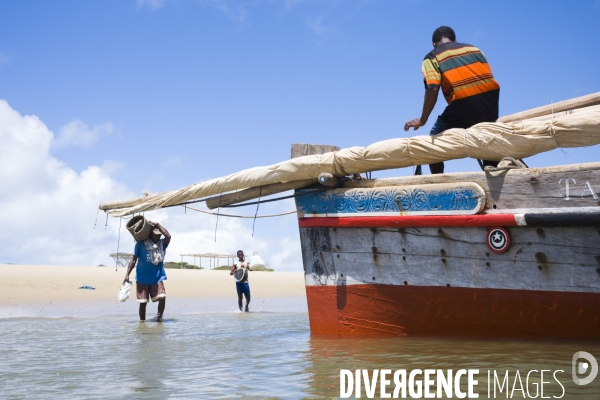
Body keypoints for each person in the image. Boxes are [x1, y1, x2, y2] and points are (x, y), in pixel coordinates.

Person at [404, 26, 500, 174]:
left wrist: (423, 119)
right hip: (491, 103)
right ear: (455, 40)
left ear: (433, 43)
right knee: (487, 137)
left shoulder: (432, 57)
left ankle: (438, 182)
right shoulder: (475, 49)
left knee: (433, 141)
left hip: (463, 101)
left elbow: (432, 88)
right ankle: (492, 169)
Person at [123, 221, 171, 322]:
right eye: (155, 235)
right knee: (143, 302)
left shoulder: (161, 244)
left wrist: (158, 225)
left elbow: (168, 236)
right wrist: (127, 274)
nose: (157, 237)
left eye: (159, 235)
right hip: (142, 278)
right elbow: (133, 259)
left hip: (156, 277)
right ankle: (142, 323)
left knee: (162, 297)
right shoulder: (140, 244)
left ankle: (159, 317)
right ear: (150, 234)